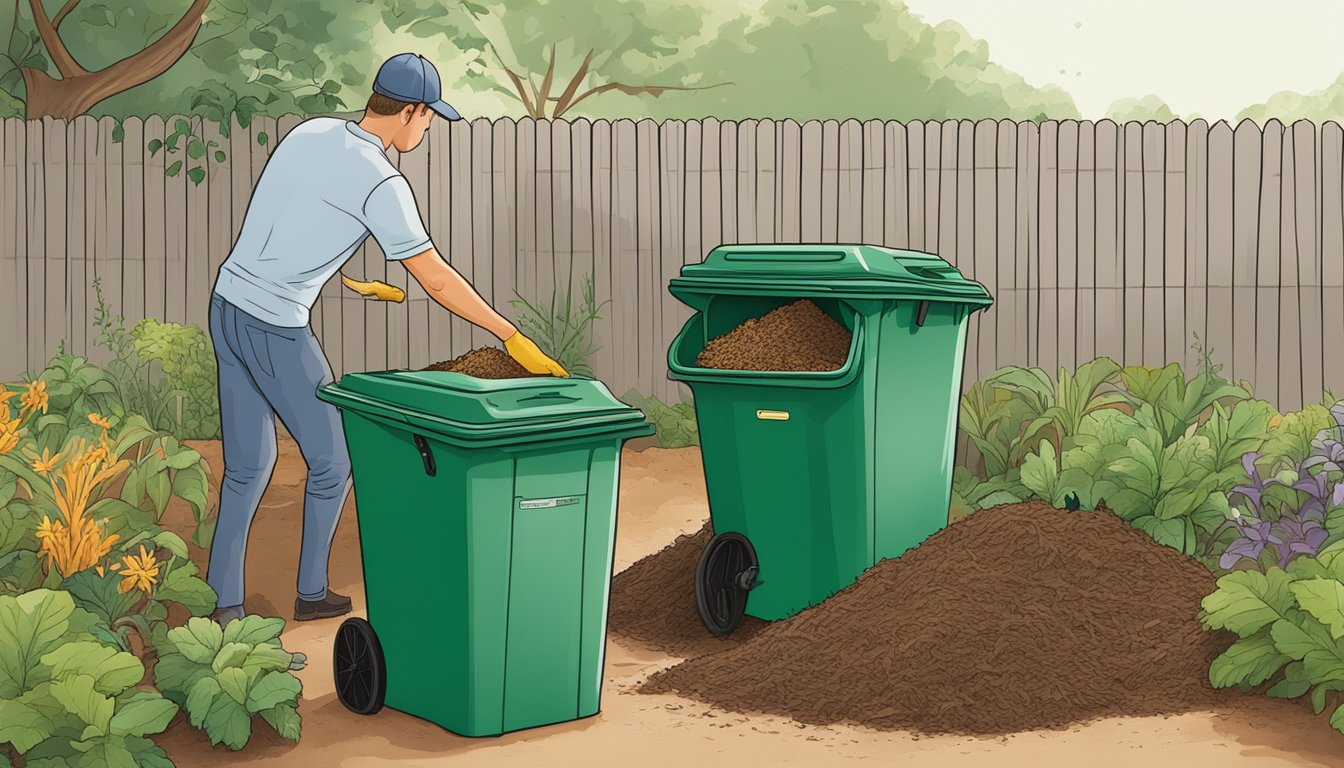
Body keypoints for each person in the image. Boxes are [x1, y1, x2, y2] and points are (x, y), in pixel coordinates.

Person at [205, 53, 567, 627]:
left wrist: (344, 275)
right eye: (429, 119)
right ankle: (311, 590)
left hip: (226, 305)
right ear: (413, 112)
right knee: (332, 460)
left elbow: (289, 216)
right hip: (274, 324)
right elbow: (436, 277)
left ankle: (221, 605)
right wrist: (511, 336)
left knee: (249, 466)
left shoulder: (312, 132)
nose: (427, 129)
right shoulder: (382, 182)